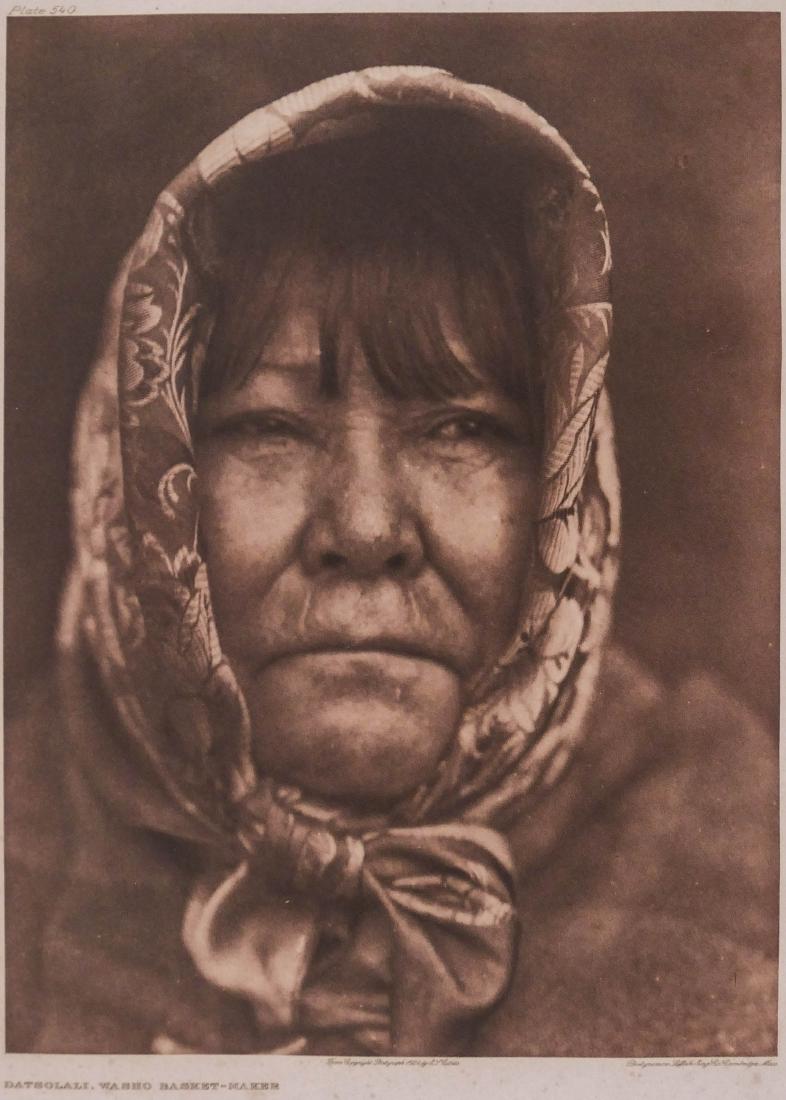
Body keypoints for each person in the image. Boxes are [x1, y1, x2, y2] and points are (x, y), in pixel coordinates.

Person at [5, 66, 777, 1056]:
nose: (366, 528)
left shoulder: (742, 881)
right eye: (268, 427)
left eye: (461, 427)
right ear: (139, 487)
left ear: (566, 485)